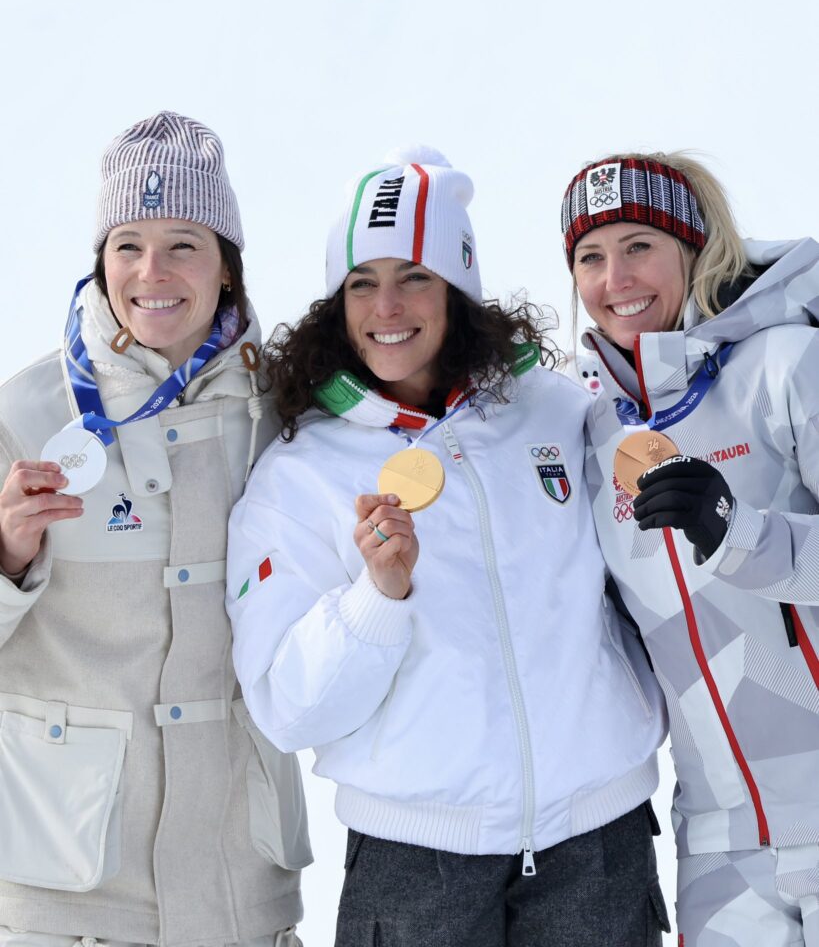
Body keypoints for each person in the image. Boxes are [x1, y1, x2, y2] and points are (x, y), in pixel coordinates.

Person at [226, 146, 669, 946]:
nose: (386, 305)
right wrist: (377, 595)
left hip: (598, 840)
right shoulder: (299, 475)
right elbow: (287, 709)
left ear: (458, 290)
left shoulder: (556, 412)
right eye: (361, 282)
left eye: (414, 276)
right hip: (414, 863)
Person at [0, 112, 311, 947]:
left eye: (183, 243)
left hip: (239, 877)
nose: (152, 271)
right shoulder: (25, 412)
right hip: (70, 887)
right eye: (127, 244)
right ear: (101, 262)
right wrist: (8, 559)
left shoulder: (285, 410)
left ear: (226, 266)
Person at [563, 153, 819, 946]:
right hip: (720, 844)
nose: (616, 279)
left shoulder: (784, 367)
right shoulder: (589, 431)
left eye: (639, 244)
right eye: (589, 257)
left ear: (694, 247)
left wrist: (737, 530)